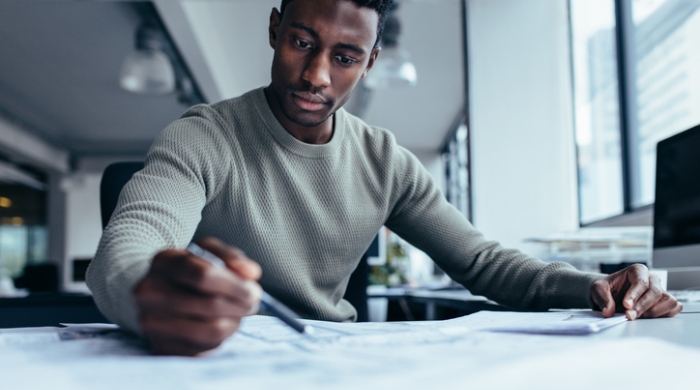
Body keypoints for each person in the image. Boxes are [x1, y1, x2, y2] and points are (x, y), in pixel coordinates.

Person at [86, 0, 682, 356]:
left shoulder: (385, 161)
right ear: (274, 30)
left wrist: (594, 286)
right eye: (301, 42)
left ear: (369, 62)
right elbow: (127, 248)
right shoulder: (203, 136)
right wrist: (149, 295)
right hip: (223, 361)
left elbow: (483, 263)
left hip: (335, 364)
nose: (316, 75)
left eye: (344, 57)